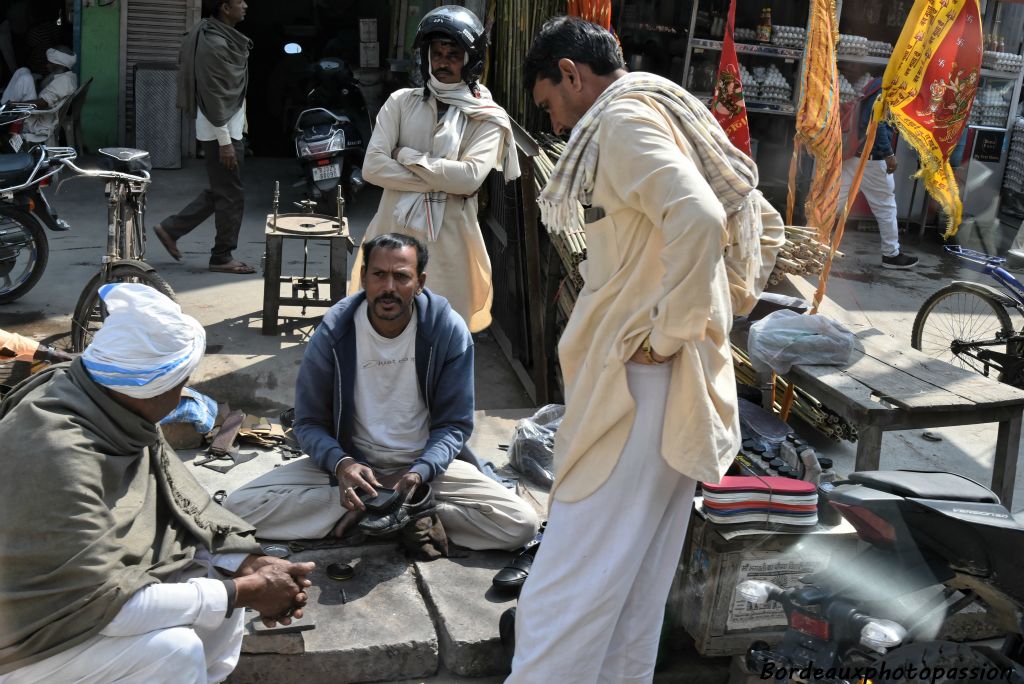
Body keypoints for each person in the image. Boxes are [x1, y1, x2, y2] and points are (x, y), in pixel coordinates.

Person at [506, 17, 784, 681]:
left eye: (548, 103)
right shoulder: (667, 108)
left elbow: (702, 216)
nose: (554, 125)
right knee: (633, 583)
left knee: (569, 580)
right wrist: (710, 313)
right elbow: (755, 221)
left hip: (640, 380)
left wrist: (667, 333)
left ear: (571, 75)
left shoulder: (622, 122)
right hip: (669, 379)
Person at [0, 283, 315, 683]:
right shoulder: (58, 453)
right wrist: (248, 591)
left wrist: (245, 563)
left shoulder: (111, 406)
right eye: (181, 382)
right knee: (173, 652)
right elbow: (102, 606)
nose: (184, 392)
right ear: (154, 387)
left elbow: (181, 507)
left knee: (220, 587)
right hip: (27, 641)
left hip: (85, 605)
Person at [226, 233, 539, 551]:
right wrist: (342, 464)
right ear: (363, 278)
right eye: (378, 275)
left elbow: (454, 425)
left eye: (401, 276)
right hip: (354, 471)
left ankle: (396, 510)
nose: (388, 287)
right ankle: (399, 514)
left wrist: (420, 473)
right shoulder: (334, 333)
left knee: (521, 524)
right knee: (237, 509)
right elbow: (308, 423)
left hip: (422, 471)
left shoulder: (446, 331)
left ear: (420, 282)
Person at [350, 5, 520, 333]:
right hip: (391, 240)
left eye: (453, 54)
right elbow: (372, 168)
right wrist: (442, 180)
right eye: (437, 53)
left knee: (442, 335)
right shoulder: (401, 102)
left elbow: (469, 177)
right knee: (383, 334)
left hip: (449, 249)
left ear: (472, 61)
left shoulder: (487, 117)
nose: (442, 62)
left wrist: (406, 155)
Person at [153, 0, 255, 275]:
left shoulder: (224, 38)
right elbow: (214, 96)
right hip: (221, 134)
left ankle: (171, 228)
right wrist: (225, 142)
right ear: (224, 7)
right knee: (231, 195)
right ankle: (221, 257)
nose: (245, 6)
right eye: (239, 2)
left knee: (224, 190)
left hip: (230, 131)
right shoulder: (214, 45)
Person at [838, 75, 918, 269]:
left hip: (856, 154)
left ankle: (809, 236)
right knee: (885, 207)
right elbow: (876, 122)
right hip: (872, 158)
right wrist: (888, 153)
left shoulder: (876, 82)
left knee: (834, 200)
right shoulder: (890, 87)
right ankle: (891, 254)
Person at [0, 45, 77, 145]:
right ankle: (3, 107)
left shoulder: (63, 82)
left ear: (59, 64)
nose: (47, 65)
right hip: (39, 113)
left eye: (50, 63)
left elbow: (42, 103)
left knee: (26, 78)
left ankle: (4, 110)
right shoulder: (66, 76)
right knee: (23, 71)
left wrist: (14, 104)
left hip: (37, 120)